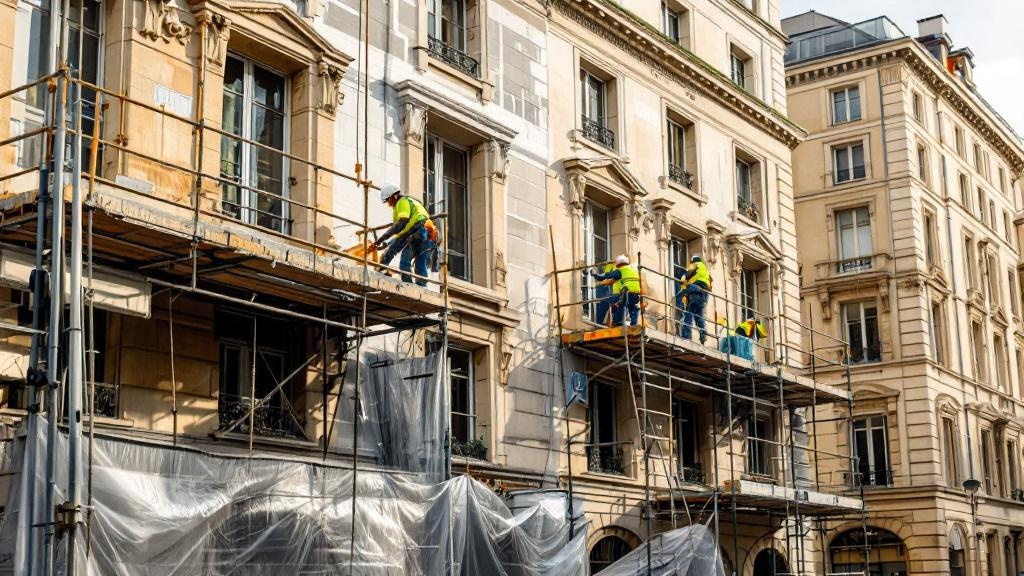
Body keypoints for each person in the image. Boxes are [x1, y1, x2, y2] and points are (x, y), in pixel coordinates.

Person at [375, 184, 436, 286]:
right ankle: (422, 287)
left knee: (404, 262)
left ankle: (409, 286)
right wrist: (387, 243)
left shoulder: (402, 202)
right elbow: (402, 234)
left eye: (388, 200)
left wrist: (381, 239)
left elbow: (401, 225)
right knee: (420, 264)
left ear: (394, 196)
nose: (389, 204)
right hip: (426, 235)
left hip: (420, 231)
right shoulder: (407, 206)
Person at [591, 254, 642, 326]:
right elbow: (613, 281)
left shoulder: (620, 271)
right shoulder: (633, 271)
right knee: (633, 308)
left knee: (610, 303)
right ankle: (634, 324)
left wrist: (595, 274)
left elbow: (605, 276)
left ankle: (615, 322)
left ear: (618, 264)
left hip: (625, 294)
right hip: (635, 295)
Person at [680, 254, 710, 344]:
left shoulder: (695, 264)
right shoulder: (705, 269)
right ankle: (703, 334)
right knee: (698, 315)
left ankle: (686, 336)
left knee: (689, 313)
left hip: (695, 290)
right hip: (704, 294)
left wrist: (683, 281)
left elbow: (685, 277)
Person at [592, 261, 616, 326]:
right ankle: (600, 324)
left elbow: (607, 279)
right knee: (605, 310)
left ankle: (601, 324)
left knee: (608, 310)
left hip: (610, 297)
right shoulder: (614, 268)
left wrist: (598, 281)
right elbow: (604, 278)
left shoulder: (615, 270)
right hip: (608, 297)